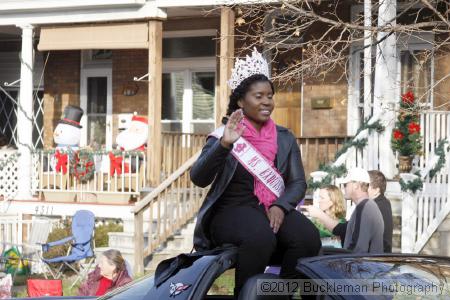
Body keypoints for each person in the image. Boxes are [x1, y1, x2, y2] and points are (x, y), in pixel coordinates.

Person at [190, 48, 321, 297]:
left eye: (269, 96)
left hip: (271, 207)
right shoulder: (225, 134)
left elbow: (297, 183)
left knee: (307, 237)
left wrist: (281, 205)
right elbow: (199, 178)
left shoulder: (284, 137)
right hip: (230, 212)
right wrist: (225, 145)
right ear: (241, 101)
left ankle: (278, 295)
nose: (266, 102)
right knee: (260, 236)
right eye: (258, 96)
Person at [368, 170, 393, 253]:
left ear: (376, 190)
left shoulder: (375, 206)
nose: (363, 188)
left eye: (366, 186)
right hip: (382, 256)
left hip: (375, 259)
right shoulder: (384, 202)